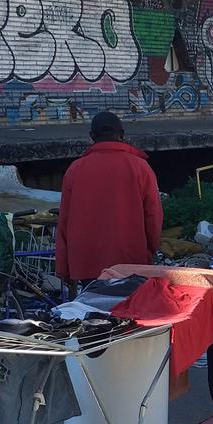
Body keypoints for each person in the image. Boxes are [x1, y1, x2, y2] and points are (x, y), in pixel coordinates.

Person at [56, 111, 162, 290]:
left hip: (86, 263)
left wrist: (64, 268)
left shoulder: (75, 170)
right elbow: (153, 217)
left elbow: (64, 221)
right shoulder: (140, 167)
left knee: (93, 315)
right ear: (122, 134)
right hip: (130, 261)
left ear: (92, 136)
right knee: (128, 312)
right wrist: (149, 253)